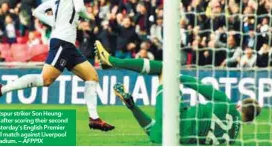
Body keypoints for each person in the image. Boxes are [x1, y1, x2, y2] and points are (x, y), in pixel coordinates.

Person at [0, 0, 114, 132]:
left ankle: (94, 119)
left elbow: (37, 11)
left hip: (66, 44)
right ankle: (2, 89)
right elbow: (80, 8)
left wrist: (55, 23)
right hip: (62, 42)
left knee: (92, 77)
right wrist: (90, 17)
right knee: (45, 80)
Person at [94, 40, 261, 144]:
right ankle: (132, 106)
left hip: (178, 115)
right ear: (249, 121)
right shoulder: (231, 141)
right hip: (174, 139)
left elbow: (200, 86)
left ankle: (111, 60)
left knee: (165, 69)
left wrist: (177, 76)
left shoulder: (227, 104)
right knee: (156, 132)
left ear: (239, 105)